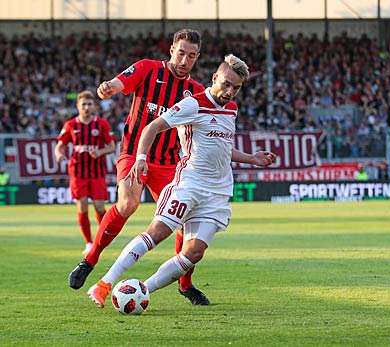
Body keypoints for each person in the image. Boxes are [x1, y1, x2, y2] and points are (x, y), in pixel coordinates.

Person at [87, 54, 276, 308]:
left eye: (236, 88)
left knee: (194, 253)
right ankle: (105, 283)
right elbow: (151, 128)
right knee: (157, 233)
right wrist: (141, 157)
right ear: (214, 78)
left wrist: (252, 159)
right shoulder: (192, 104)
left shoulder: (231, 109)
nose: (230, 91)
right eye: (226, 84)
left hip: (216, 194)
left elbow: (222, 146)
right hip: (188, 185)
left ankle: (143, 290)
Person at [68, 29, 208, 305]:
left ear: (197, 57)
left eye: (191, 56)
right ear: (171, 50)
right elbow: (120, 82)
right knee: (128, 203)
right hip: (134, 153)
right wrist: (109, 87)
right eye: (181, 53)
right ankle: (90, 259)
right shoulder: (147, 69)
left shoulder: (197, 92)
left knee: (184, 225)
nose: (184, 60)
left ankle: (185, 284)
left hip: (169, 162)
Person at [55, 91, 115, 255]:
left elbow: (111, 147)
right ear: (78, 106)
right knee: (82, 207)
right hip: (78, 172)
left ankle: (102, 239)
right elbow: (60, 145)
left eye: (89, 104)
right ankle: (89, 243)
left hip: (97, 172)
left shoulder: (102, 124)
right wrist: (59, 154)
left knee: (99, 207)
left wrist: (100, 151)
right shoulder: (71, 125)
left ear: (94, 106)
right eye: (84, 104)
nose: (87, 107)